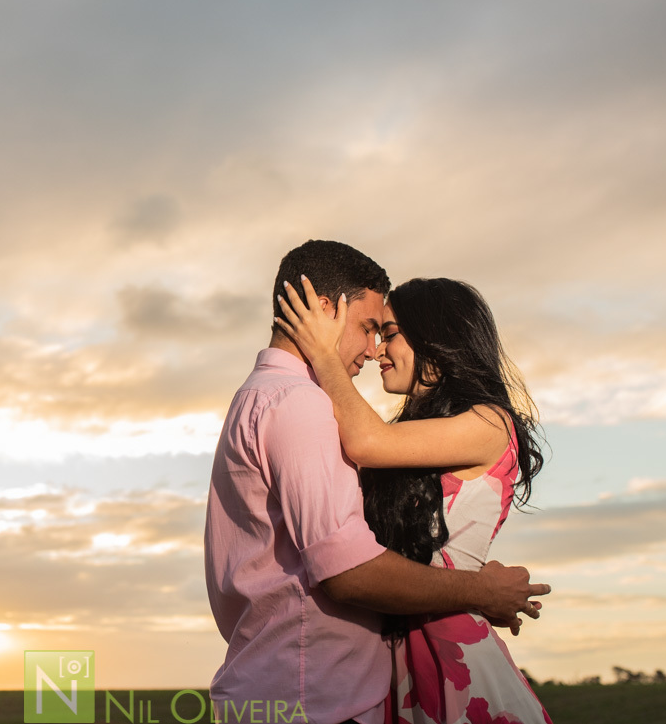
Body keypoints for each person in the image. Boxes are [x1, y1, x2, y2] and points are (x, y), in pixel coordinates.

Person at [205, 240, 550, 724]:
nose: (376, 350)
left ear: (437, 340)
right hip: (351, 678)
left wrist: (475, 580)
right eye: (372, 329)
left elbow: (369, 455)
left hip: (434, 655)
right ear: (322, 311)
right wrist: (480, 588)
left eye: (389, 334)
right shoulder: (301, 405)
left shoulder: (488, 422)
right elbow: (353, 563)